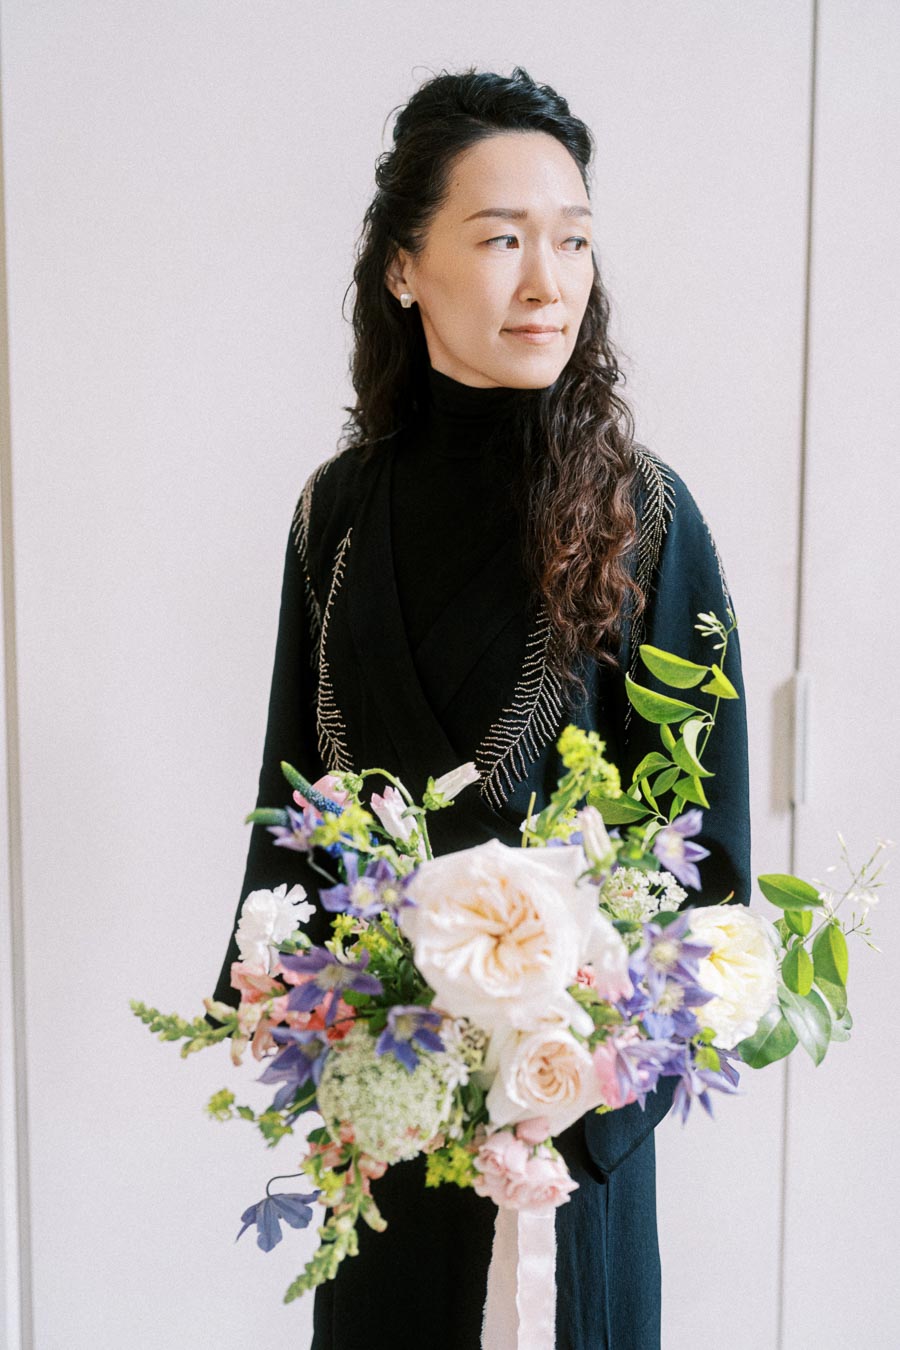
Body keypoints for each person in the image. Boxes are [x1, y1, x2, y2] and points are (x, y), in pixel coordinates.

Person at [207, 66, 751, 1350]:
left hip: (568, 1144)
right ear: (406, 266)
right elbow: (297, 797)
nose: (547, 280)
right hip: (386, 1123)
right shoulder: (334, 516)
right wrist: (296, 1017)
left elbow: (707, 869)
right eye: (502, 239)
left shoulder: (646, 516)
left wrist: (567, 1097)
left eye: (571, 240)